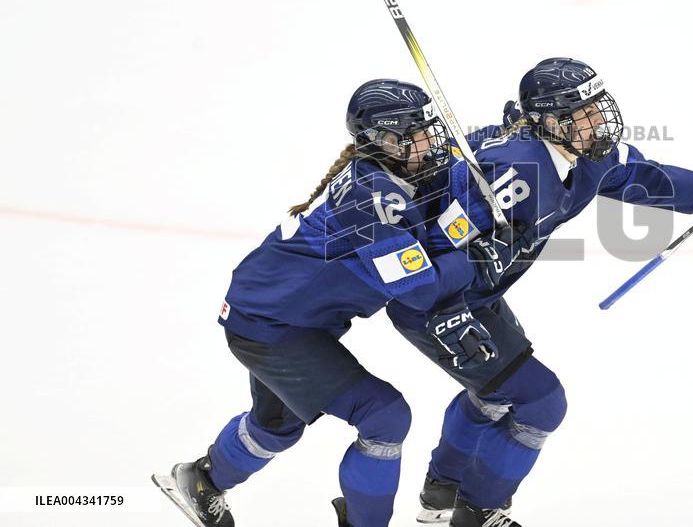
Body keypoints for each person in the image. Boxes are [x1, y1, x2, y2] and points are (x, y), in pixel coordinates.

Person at [388, 57, 693, 526]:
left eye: (597, 107)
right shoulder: (511, 170)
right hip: (434, 306)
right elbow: (423, 252)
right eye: (583, 114)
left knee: (493, 394)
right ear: (548, 122)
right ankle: (478, 511)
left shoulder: (588, 156)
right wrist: (461, 282)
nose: (598, 122)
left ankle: (441, 490)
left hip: (478, 299)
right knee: (542, 402)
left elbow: (635, 176)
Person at [151, 79, 509, 527]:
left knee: (276, 425)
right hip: (273, 329)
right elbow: (418, 291)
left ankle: (200, 481)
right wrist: (473, 257)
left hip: (275, 315)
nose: (429, 141)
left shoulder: (393, 170)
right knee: (385, 416)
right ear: (383, 140)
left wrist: (502, 132)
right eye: (416, 133)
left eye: (428, 128)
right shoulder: (371, 200)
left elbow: (456, 158)